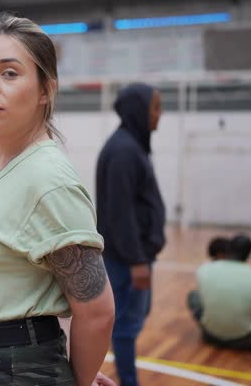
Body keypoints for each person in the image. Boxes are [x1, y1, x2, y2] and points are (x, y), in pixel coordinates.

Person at [0, 13, 115, 386]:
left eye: (9, 73)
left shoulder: (47, 178)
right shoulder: (10, 167)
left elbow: (97, 311)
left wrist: (76, 379)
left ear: (45, 90)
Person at [95, 83, 165, 386]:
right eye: (155, 107)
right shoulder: (123, 150)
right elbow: (119, 214)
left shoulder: (132, 146)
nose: (159, 114)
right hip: (126, 258)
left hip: (134, 256)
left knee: (134, 318)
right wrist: (137, 260)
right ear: (139, 109)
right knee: (125, 325)